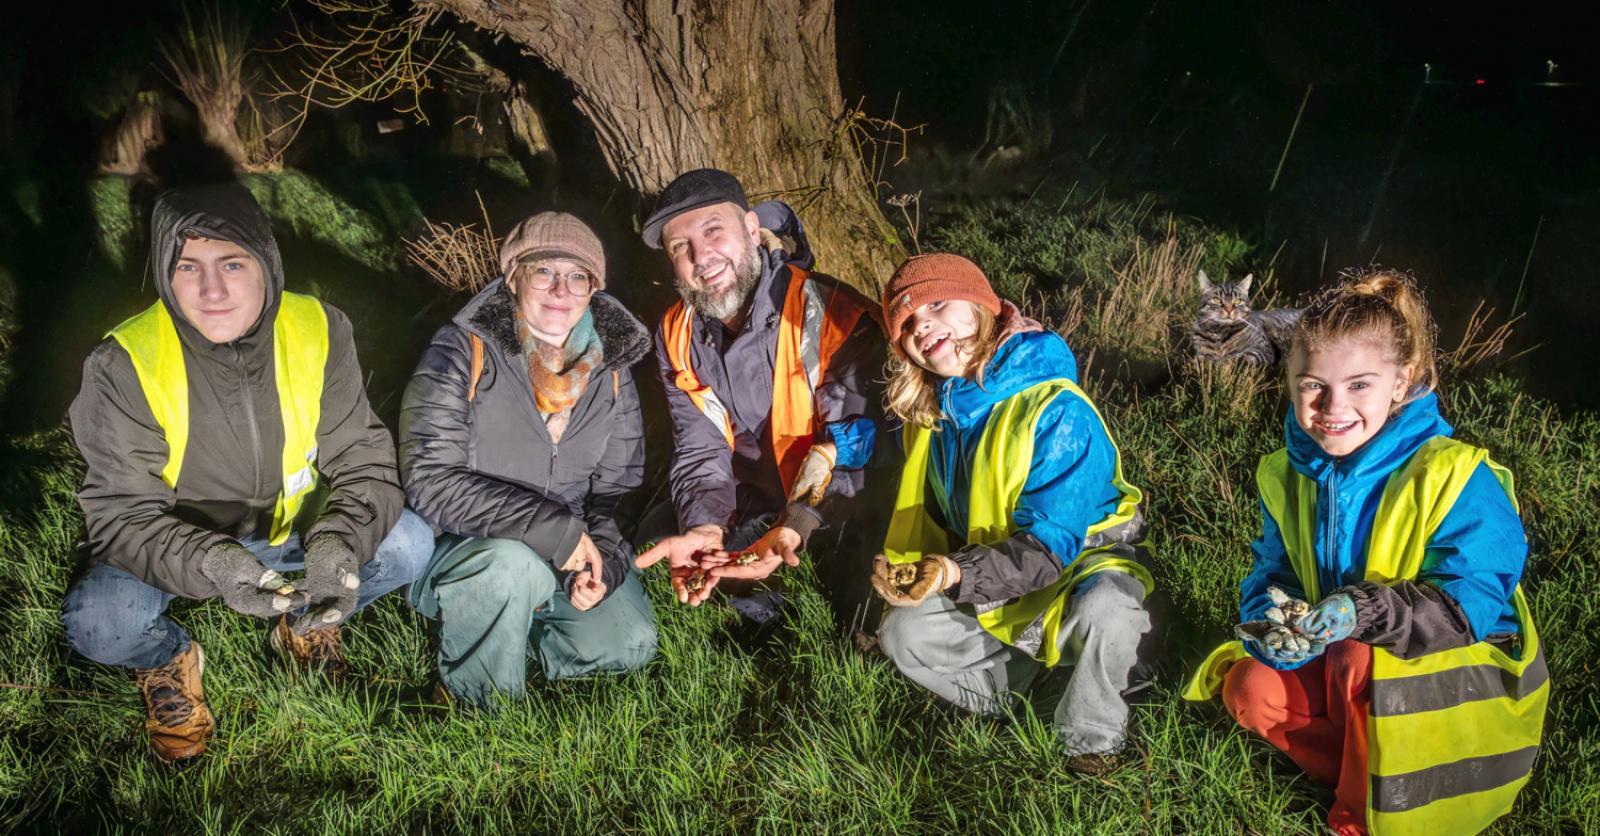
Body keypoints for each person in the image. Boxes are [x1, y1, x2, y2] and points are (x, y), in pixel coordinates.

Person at [61, 182, 433, 763]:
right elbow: (120, 515)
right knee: (101, 623)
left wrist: (338, 539)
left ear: (266, 262)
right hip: (181, 544)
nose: (212, 290)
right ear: (164, 272)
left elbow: (360, 455)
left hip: (293, 534)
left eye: (232, 263)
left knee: (411, 544)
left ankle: (305, 623)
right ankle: (167, 660)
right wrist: (212, 560)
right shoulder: (122, 362)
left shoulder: (319, 327)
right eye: (188, 267)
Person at [1183, 269, 1548, 835]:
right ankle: (1367, 770)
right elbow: (1273, 568)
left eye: (1359, 385)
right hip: (1354, 671)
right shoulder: (1285, 473)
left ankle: (1360, 818)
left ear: (1400, 383)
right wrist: (1275, 620)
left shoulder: (1457, 474)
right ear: (1289, 381)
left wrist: (1364, 613)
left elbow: (1471, 602)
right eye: (1312, 385)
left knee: (1358, 653)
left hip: (1458, 678)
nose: (1332, 406)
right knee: (1249, 687)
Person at [870, 253, 1153, 775]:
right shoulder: (935, 412)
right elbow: (891, 462)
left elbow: (1050, 547)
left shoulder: (1054, 407)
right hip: (995, 580)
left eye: (936, 303)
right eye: (906, 323)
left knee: (1108, 613)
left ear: (981, 305)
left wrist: (955, 572)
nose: (923, 324)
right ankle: (1037, 698)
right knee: (902, 633)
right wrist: (829, 452)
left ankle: (1089, 739)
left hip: (1074, 573)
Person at [400, 212, 657, 707]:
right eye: (544, 271)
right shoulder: (461, 349)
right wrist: (553, 530)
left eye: (577, 276)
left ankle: (517, 630)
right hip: (467, 547)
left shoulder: (614, 369)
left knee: (630, 641)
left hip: (566, 547)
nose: (561, 288)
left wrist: (603, 562)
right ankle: (474, 701)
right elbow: (429, 480)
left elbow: (619, 487)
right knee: (510, 566)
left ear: (593, 289)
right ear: (513, 276)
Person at [633, 168, 890, 628]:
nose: (701, 256)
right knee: (658, 536)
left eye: (714, 230)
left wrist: (793, 524)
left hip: (831, 502)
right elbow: (700, 446)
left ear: (752, 230)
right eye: (680, 247)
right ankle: (753, 572)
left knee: (841, 583)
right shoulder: (676, 333)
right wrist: (706, 526)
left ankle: (806, 585)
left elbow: (858, 447)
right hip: (752, 494)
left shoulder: (828, 310)